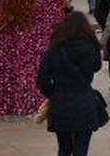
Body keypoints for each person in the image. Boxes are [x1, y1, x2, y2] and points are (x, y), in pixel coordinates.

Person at [36, 11, 103, 156]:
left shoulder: (54, 48)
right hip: (84, 100)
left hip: (61, 102)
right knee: (81, 149)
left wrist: (53, 93)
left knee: (64, 148)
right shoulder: (91, 46)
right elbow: (97, 66)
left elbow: (41, 80)